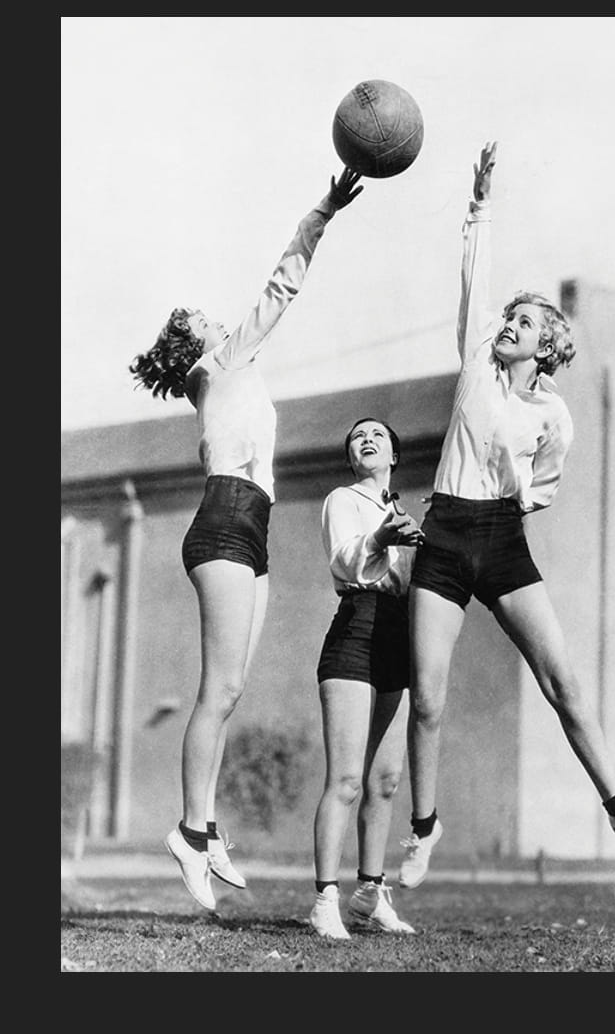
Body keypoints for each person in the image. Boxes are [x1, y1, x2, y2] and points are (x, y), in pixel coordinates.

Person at [398, 142, 615, 890]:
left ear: (549, 342)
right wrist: (479, 206)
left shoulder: (553, 414)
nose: (508, 325)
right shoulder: (474, 371)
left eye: (523, 320)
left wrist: (515, 499)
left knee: (564, 684)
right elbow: (474, 281)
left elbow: (544, 485)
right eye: (508, 318)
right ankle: (424, 829)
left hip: (502, 539)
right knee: (427, 696)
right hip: (446, 533)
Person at [128, 167, 364, 911]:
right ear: (194, 342)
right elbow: (281, 285)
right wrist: (323, 209)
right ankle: (191, 834)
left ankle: (206, 827)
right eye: (203, 317)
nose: (219, 318)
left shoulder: (225, 371)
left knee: (230, 693)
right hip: (227, 519)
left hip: (250, 524)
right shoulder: (221, 362)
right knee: (218, 688)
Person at [309, 418, 424, 939]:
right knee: (347, 779)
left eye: (378, 435)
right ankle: (325, 899)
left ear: (394, 455)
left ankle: (371, 895)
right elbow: (346, 562)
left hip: (397, 635)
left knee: (385, 780)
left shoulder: (403, 513)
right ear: (352, 456)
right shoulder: (342, 499)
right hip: (355, 630)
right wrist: (382, 536)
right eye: (357, 437)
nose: (368, 440)